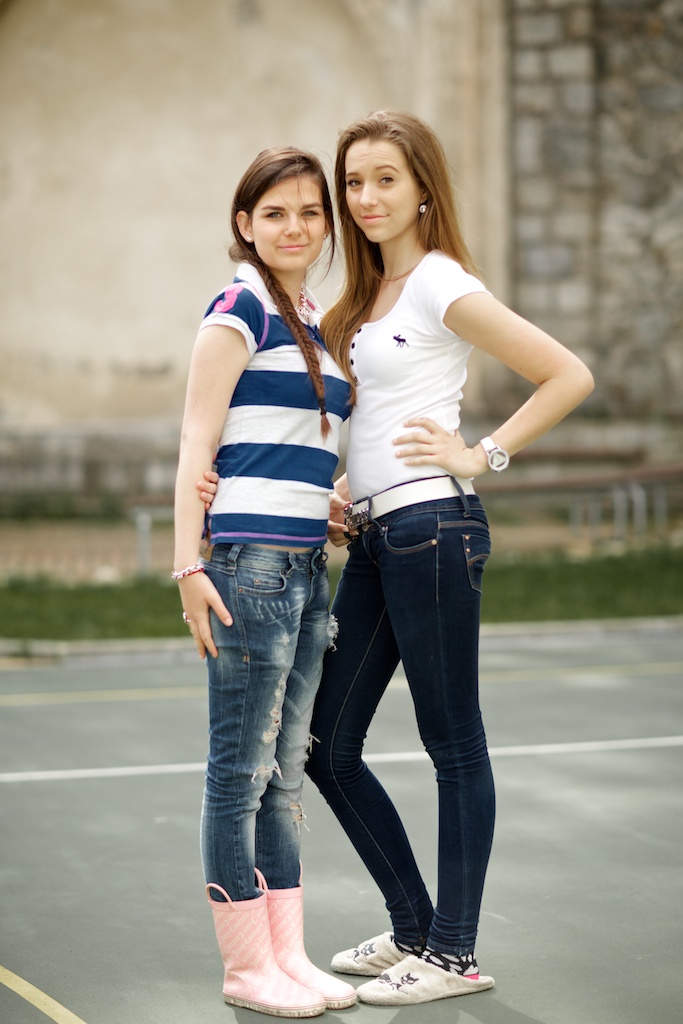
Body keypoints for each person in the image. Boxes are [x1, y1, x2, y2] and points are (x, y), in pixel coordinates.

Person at [196, 110, 594, 1008]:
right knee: (325, 746)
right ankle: (413, 925)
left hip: (435, 529)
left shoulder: (440, 281)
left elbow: (567, 373)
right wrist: (333, 492)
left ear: (421, 190)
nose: (366, 197)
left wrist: (480, 454)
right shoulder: (362, 298)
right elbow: (362, 420)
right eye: (354, 182)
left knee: (452, 742)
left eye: (385, 179)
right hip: (376, 537)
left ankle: (452, 953)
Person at [173, 146, 356, 1017]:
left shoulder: (312, 316)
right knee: (238, 774)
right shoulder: (239, 305)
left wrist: (326, 500)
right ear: (245, 224)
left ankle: (287, 956)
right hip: (247, 568)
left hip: (306, 569)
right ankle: (247, 970)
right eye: (275, 213)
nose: (295, 227)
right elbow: (196, 441)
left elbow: (286, 441)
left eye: (310, 212)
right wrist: (187, 564)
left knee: (286, 774)